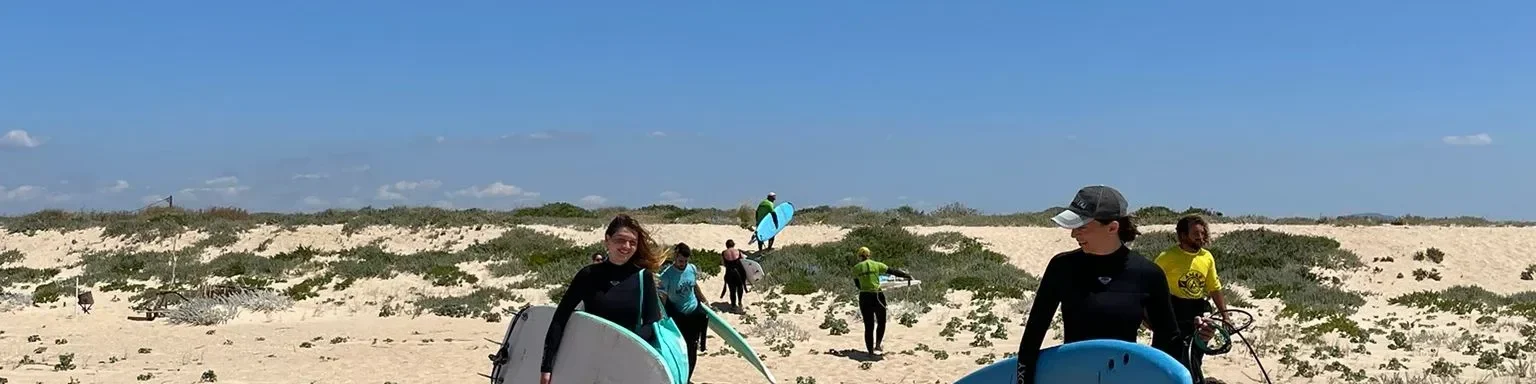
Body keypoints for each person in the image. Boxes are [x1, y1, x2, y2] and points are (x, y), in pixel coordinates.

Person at [1015, 185, 1186, 384]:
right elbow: (1033, 334)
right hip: (1074, 377)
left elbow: (1168, 339)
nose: (1073, 234)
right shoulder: (1061, 267)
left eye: (1082, 227)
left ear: (1112, 228)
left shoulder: (1148, 274)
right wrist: (1023, 381)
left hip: (1124, 378)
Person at [541, 214, 666, 384]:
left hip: (628, 363)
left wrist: (627, 344)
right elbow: (560, 318)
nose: (626, 246)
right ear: (607, 240)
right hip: (590, 363)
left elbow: (652, 323)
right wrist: (546, 367)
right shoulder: (589, 275)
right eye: (620, 240)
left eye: (633, 242)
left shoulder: (643, 277)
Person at [1153, 214, 1231, 384]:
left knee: (1194, 359)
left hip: (1197, 313)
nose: (1201, 238)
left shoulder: (1206, 257)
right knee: (1167, 359)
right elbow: (1150, 285)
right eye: (1196, 234)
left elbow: (1214, 287)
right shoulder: (1167, 257)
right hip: (1172, 312)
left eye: (1203, 234)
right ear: (1182, 235)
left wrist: (1225, 315)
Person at [659, 243, 710, 381]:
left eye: (686, 261)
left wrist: (704, 300)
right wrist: (662, 317)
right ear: (675, 257)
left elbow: (694, 286)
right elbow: (662, 297)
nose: (683, 264)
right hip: (679, 316)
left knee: (692, 348)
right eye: (681, 261)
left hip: (694, 311)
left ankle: (687, 379)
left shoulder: (692, 268)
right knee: (682, 349)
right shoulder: (666, 275)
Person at [851, 246, 913, 356]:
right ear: (869, 255)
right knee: (881, 321)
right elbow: (892, 271)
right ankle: (878, 345)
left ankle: (870, 351)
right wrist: (906, 275)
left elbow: (858, 285)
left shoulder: (856, 268)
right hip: (877, 296)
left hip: (864, 297)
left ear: (859, 256)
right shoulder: (877, 265)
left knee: (868, 325)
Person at [719, 239, 750, 311]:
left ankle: (733, 305)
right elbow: (744, 261)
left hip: (729, 273)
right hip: (739, 273)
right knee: (740, 287)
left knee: (732, 290)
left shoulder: (724, 253)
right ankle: (740, 302)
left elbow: (723, 263)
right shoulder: (738, 252)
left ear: (726, 246)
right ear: (733, 245)